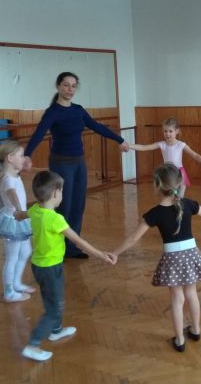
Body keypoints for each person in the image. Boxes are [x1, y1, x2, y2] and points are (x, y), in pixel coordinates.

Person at [112, 162, 201, 352]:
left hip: (172, 259)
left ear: (157, 185)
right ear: (179, 183)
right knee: (191, 294)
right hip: (191, 254)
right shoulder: (188, 204)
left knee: (177, 299)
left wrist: (115, 253)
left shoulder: (154, 213)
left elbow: (133, 238)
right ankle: (195, 330)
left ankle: (179, 340)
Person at [23, 71, 129, 259]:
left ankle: (72, 247)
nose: (70, 89)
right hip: (61, 163)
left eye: (73, 86)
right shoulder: (53, 112)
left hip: (79, 162)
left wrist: (119, 140)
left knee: (78, 205)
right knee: (64, 204)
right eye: (66, 85)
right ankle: (59, 246)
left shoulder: (78, 110)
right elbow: (39, 133)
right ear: (58, 86)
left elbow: (97, 126)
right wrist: (27, 155)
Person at [21, 170, 115, 362]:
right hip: (50, 268)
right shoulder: (55, 219)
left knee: (52, 298)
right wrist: (100, 254)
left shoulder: (35, 210)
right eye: (62, 191)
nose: (62, 194)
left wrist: (16, 214)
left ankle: (56, 330)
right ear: (56, 193)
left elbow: (23, 214)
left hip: (39, 266)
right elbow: (78, 241)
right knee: (54, 308)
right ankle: (33, 344)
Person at [0, 140, 35, 303]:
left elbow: (23, 166)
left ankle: (16, 283)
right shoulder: (8, 179)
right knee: (12, 257)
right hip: (14, 220)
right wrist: (20, 210)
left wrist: (25, 162)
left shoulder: (14, 173)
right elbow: (12, 193)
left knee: (25, 252)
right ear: (10, 158)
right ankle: (9, 292)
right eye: (21, 156)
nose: (24, 158)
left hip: (19, 219)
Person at [127, 117, 201, 197]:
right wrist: (129, 146)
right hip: (168, 173)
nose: (167, 134)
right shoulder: (162, 144)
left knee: (179, 197)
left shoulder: (181, 145)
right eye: (165, 131)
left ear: (177, 131)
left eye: (170, 131)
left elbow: (195, 155)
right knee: (170, 197)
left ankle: (179, 207)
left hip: (179, 173)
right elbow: (144, 147)